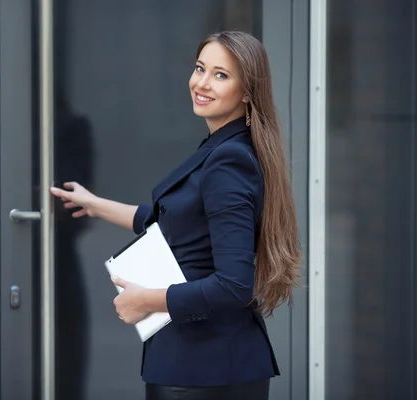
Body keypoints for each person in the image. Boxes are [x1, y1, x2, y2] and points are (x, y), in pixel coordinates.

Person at [50, 31, 301, 400]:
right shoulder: (225, 149)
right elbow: (172, 220)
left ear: (248, 92)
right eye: (200, 68)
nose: (201, 83)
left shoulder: (228, 162)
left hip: (204, 369)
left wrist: (145, 300)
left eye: (220, 75)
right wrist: (94, 204)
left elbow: (234, 285)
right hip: (204, 363)